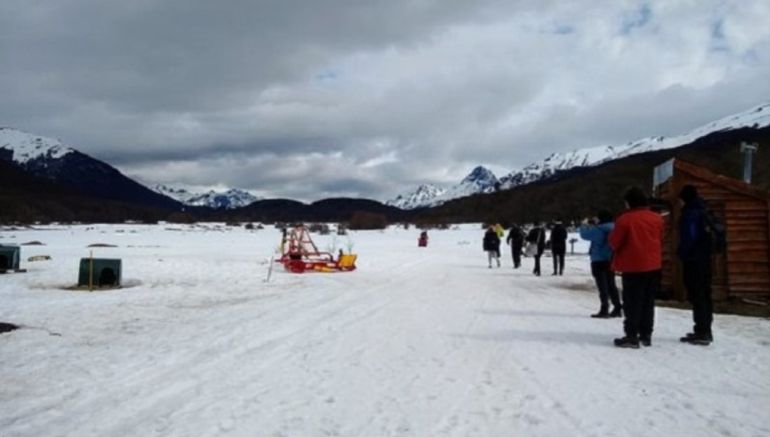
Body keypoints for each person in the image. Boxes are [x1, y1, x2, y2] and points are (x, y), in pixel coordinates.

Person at [608, 187, 664, 348]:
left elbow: (614, 242)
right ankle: (646, 334)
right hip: (654, 264)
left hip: (633, 265)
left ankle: (631, 335)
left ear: (629, 203)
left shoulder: (624, 220)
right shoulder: (657, 218)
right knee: (648, 301)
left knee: (632, 301)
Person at [677, 185, 715, 346]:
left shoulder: (690, 214)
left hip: (693, 259)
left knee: (697, 294)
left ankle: (701, 331)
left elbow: (689, 237)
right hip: (706, 258)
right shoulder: (704, 209)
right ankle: (705, 329)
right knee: (705, 294)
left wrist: (682, 253)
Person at [579, 210, 622, 318]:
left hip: (598, 259)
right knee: (611, 284)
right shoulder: (615, 228)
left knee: (602, 286)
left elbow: (584, 235)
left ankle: (604, 308)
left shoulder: (599, 229)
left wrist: (583, 225)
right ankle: (617, 307)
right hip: (611, 258)